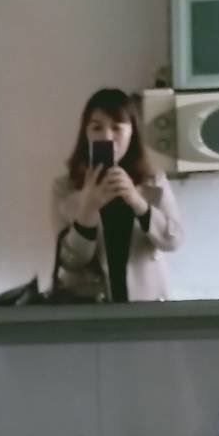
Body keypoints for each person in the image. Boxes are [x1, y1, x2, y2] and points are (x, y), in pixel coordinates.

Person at [52, 88, 183, 302]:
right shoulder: (65, 188)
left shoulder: (153, 182)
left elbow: (173, 241)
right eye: (97, 127)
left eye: (117, 127)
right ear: (85, 133)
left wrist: (136, 200)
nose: (107, 136)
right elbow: (70, 261)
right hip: (89, 308)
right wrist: (88, 209)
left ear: (132, 133)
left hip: (146, 305)